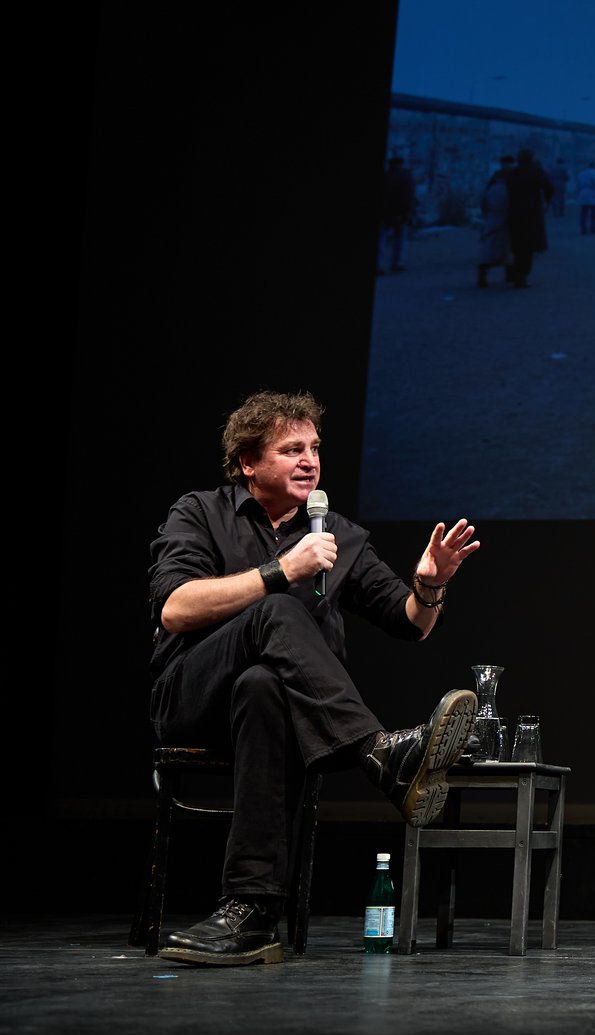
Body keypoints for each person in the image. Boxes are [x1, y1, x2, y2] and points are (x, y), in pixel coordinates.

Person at [148, 390, 485, 966]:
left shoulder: (340, 536)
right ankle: (379, 752)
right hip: (192, 695)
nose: (309, 460)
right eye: (290, 449)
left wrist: (430, 584)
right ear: (248, 463)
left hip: (277, 719)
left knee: (262, 686)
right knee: (279, 608)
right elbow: (176, 609)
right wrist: (282, 570)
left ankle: (250, 912)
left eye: (314, 448)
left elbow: (411, 624)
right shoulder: (201, 512)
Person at [504, 148, 553, 288]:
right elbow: (549, 187)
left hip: (514, 212)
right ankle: (522, 276)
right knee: (528, 246)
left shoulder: (512, 173)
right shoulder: (536, 171)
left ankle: (514, 273)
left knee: (516, 244)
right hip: (531, 213)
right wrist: (547, 202)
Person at [476, 154, 514, 287]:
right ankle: (509, 275)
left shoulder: (491, 188)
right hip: (507, 220)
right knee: (508, 250)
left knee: (488, 250)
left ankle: (483, 276)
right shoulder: (511, 186)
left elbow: (483, 204)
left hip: (492, 220)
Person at [379, 155, 416, 274]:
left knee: (382, 240)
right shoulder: (406, 178)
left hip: (385, 212)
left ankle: (379, 266)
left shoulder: (386, 177)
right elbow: (409, 198)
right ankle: (397, 263)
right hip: (400, 212)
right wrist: (408, 213)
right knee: (400, 239)